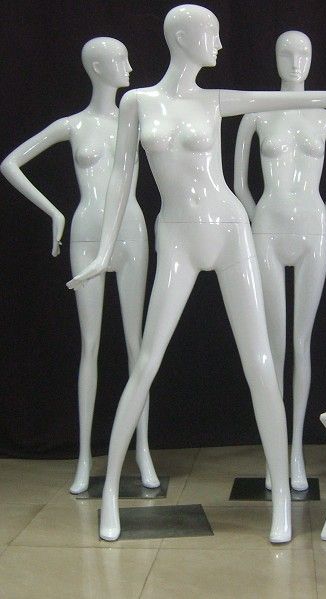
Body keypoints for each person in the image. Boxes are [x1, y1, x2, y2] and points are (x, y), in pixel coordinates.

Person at [67, 5, 326, 543]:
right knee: (146, 361)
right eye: (210, 34)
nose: (219, 45)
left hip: (230, 229)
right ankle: (111, 494)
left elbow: (302, 99)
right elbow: (120, 180)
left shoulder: (213, 100)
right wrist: (101, 252)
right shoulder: (138, 103)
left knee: (260, 363)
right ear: (183, 38)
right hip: (177, 235)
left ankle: (280, 501)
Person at [1, 38, 158, 495]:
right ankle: (86, 456)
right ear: (97, 67)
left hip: (131, 232)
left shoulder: (138, 118)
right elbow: (11, 163)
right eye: (120, 60)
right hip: (87, 233)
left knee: (137, 345)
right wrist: (54, 212)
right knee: (90, 345)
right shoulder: (72, 126)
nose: (130, 67)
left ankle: (142, 449)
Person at [234, 31, 326, 491]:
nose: (295, 60)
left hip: (312, 228)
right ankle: (274, 452)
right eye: (286, 52)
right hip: (267, 226)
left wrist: (319, 217)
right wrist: (257, 216)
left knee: (301, 342)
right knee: (274, 343)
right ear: (274, 57)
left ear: (313, 57)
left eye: (303, 52)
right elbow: (239, 183)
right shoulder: (256, 115)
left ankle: (296, 448)